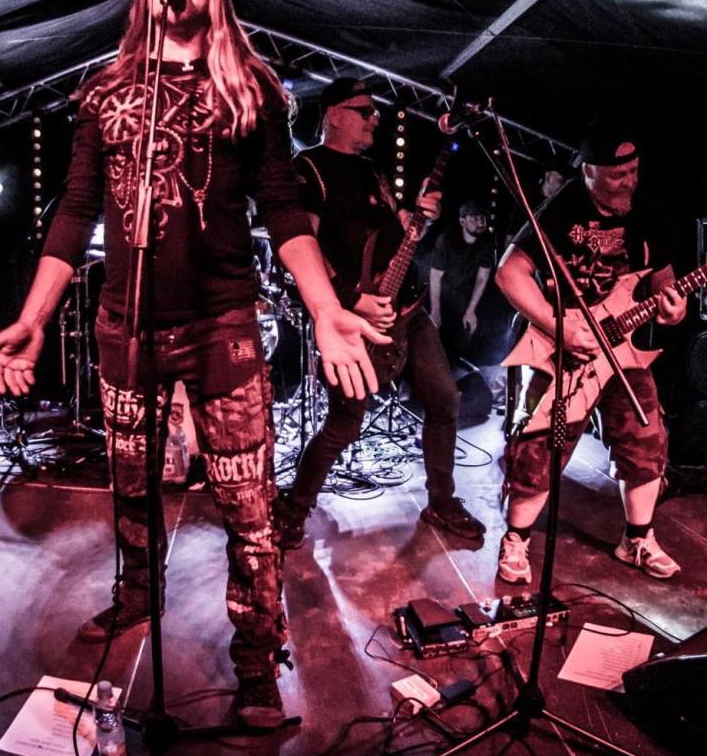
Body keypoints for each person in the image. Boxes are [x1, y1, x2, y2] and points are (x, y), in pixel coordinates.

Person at [0, 0, 387, 729]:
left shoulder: (251, 89)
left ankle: (258, 656)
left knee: (247, 501)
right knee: (131, 481)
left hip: (222, 322)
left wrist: (325, 305)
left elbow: (282, 207)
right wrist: (32, 316)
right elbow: (75, 208)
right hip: (124, 325)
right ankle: (137, 591)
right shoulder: (106, 93)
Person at [273, 78, 486, 549]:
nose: (375, 119)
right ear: (333, 114)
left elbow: (393, 236)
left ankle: (441, 501)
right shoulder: (310, 168)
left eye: (375, 112)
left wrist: (416, 218)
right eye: (364, 111)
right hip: (355, 318)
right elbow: (302, 247)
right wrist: (350, 299)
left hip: (406, 309)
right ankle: (294, 507)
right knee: (344, 423)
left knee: (445, 401)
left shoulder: (373, 172)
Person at [495, 127, 685, 583]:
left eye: (634, 171)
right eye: (618, 175)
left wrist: (673, 309)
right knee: (539, 446)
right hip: (560, 349)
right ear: (589, 172)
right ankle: (516, 539)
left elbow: (664, 283)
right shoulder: (560, 212)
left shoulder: (647, 212)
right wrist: (558, 326)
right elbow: (509, 272)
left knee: (646, 436)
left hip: (621, 351)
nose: (629, 182)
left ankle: (637, 539)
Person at [429, 201, 496, 363]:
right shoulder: (447, 239)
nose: (480, 222)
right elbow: (435, 276)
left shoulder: (487, 241)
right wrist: (435, 311)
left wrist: (470, 310)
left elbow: (482, 277)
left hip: (462, 291)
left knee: (465, 333)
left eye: (482, 218)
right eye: (474, 218)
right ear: (462, 221)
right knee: (434, 333)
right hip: (439, 291)